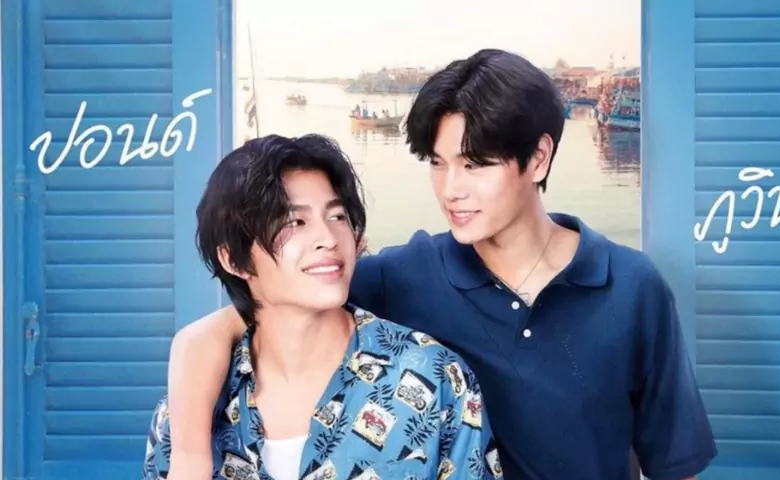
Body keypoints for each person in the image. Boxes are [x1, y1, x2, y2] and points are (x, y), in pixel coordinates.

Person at [166, 49, 717, 479]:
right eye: (438, 163)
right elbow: (236, 321)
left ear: (539, 157)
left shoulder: (632, 288)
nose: (451, 189)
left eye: (474, 164)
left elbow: (674, 466)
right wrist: (190, 455)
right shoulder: (404, 276)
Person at [142, 134, 500, 480]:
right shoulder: (188, 411)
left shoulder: (435, 380)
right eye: (294, 222)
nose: (328, 239)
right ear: (234, 260)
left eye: (337, 216)